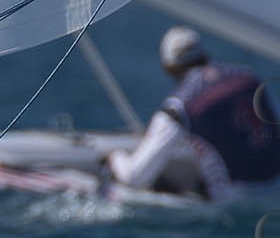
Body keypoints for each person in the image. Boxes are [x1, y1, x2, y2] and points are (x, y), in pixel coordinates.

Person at [107, 26, 280, 199]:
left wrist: (113, 156)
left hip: (235, 201)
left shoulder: (178, 108)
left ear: (169, 68)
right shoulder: (248, 77)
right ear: (204, 55)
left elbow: (134, 177)